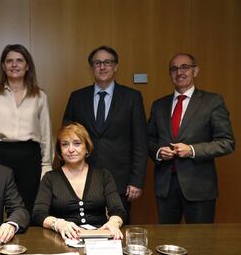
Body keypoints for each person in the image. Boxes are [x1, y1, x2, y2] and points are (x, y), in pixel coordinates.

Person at [62, 46, 147, 224]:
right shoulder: (77, 97)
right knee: (84, 227)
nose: (102, 67)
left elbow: (140, 141)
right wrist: (67, 175)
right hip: (83, 176)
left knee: (117, 229)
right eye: (97, 63)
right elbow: (65, 137)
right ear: (91, 67)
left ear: (115, 66)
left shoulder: (132, 97)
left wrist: (136, 180)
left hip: (121, 180)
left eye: (107, 62)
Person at [148, 53, 235, 224]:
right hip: (165, 186)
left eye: (185, 67)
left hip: (199, 186)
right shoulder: (159, 105)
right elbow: (148, 139)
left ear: (195, 71)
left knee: (201, 242)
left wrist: (192, 150)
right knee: (167, 241)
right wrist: (158, 152)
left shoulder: (212, 102)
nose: (179, 72)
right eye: (174, 68)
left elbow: (226, 142)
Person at [0, 44, 53, 214]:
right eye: (9, 61)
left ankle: (29, 242)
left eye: (19, 60)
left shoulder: (40, 96)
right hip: (0, 156)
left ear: (27, 66)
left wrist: (46, 166)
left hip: (30, 158)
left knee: (28, 208)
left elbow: (46, 134)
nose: (14, 64)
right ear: (3, 66)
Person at [32, 123, 126, 240]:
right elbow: (38, 214)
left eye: (77, 143)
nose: (71, 149)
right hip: (63, 239)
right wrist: (58, 224)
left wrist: (113, 223)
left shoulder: (103, 175)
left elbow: (118, 209)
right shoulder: (50, 178)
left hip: (101, 238)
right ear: (60, 150)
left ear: (86, 148)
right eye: (65, 144)